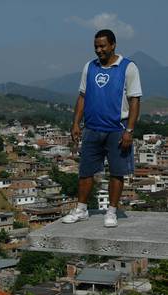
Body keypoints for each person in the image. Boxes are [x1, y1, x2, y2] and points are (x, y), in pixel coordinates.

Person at [61, 29, 142, 227]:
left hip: (117, 129)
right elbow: (82, 96)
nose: (99, 50)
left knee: (117, 172)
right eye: (96, 46)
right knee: (86, 171)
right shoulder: (90, 67)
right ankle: (81, 209)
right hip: (92, 128)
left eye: (103, 46)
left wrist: (129, 131)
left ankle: (112, 212)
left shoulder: (128, 68)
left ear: (113, 45)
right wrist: (75, 123)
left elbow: (135, 101)